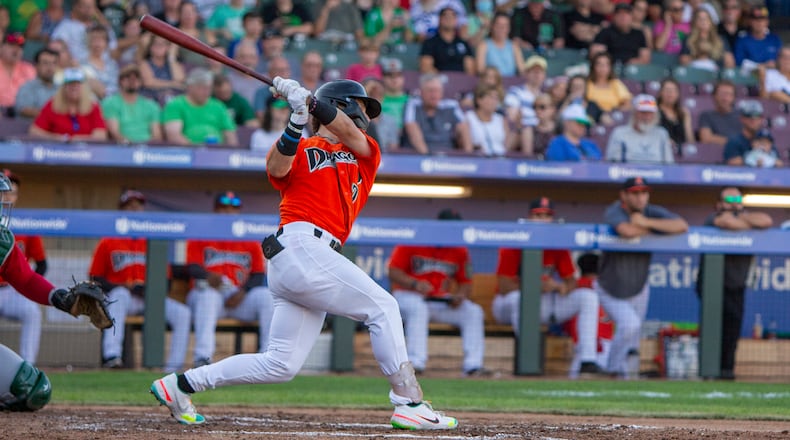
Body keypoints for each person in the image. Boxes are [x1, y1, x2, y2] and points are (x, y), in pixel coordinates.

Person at [150, 77, 458, 430]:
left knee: (280, 364)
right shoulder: (301, 144)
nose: (366, 117)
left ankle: (180, 385)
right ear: (344, 106)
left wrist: (311, 104)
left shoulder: (364, 151)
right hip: (299, 247)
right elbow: (277, 169)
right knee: (384, 307)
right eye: (361, 107)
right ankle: (409, 402)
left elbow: (349, 131)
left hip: (307, 258)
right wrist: (296, 119)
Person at [0, 173, 110, 411]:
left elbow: (26, 278)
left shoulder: (3, 241)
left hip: (6, 292)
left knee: (33, 389)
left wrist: (61, 299)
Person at [493, 197, 603, 377]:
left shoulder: (557, 244)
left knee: (587, 297)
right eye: (538, 215)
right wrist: (531, 286)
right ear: (529, 218)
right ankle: (529, 360)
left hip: (543, 302)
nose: (542, 220)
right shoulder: (513, 240)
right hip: (508, 305)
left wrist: (560, 287)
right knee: (519, 300)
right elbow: (504, 286)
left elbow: (571, 281)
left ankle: (587, 360)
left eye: (546, 215)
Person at [596, 177, 688, 378]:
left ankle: (627, 377)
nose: (640, 198)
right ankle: (611, 371)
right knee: (630, 325)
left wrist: (646, 222)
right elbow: (626, 230)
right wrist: (657, 230)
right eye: (635, 193)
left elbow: (681, 225)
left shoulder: (650, 212)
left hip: (638, 285)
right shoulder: (615, 210)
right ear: (624, 195)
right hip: (609, 285)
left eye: (644, 192)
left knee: (634, 336)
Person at [89, 189, 191, 370]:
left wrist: (150, 289)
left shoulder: (153, 238)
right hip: (124, 298)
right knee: (119, 296)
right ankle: (112, 356)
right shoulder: (109, 240)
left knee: (183, 313)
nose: (135, 209)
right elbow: (96, 277)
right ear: (121, 210)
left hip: (150, 299)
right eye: (130, 206)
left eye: (138, 205)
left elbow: (166, 281)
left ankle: (173, 367)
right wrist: (125, 287)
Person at [388, 208, 485, 376]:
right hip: (408, 296)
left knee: (473, 312)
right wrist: (415, 283)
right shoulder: (414, 239)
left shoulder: (460, 250)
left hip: (438, 300)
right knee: (418, 308)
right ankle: (416, 363)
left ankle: (473, 366)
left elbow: (466, 283)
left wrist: (460, 296)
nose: (452, 233)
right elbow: (393, 271)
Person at [182, 191, 274, 366]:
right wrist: (208, 276)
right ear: (216, 210)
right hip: (210, 296)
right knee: (207, 296)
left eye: (233, 208)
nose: (229, 212)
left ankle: (267, 357)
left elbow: (258, 274)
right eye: (224, 207)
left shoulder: (247, 239)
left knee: (266, 295)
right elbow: (191, 267)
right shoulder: (201, 233)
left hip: (238, 299)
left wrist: (243, 293)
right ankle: (203, 357)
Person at [696, 187, 773, 380]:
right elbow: (726, 222)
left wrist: (742, 218)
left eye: (737, 198)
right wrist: (743, 221)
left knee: (733, 329)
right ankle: (708, 372)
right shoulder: (712, 219)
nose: (733, 202)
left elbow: (766, 221)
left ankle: (726, 371)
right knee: (713, 329)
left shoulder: (747, 216)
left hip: (736, 285)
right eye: (729, 199)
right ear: (719, 204)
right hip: (712, 284)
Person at [0, 170, 46, 364]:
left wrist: (25, 288)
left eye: (12, 193)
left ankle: (27, 366)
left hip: (11, 289)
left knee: (32, 312)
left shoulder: (25, 223)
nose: (8, 196)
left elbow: (42, 264)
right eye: (3, 192)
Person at [28, 67, 108, 142]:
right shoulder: (53, 105)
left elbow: (101, 135)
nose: (74, 87)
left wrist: (77, 140)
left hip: (87, 151)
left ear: (83, 87)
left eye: (77, 84)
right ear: (63, 87)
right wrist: (56, 138)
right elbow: (35, 131)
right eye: (70, 84)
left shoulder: (93, 107)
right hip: (57, 151)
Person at [162, 68, 238, 146]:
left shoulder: (218, 106)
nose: (206, 92)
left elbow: (230, 135)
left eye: (209, 88)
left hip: (217, 152)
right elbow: (174, 135)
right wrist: (196, 152)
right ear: (190, 87)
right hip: (187, 152)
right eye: (201, 88)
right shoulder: (176, 105)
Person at [402, 73, 473, 154]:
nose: (434, 95)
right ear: (421, 92)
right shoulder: (412, 104)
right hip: (419, 155)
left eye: (437, 91)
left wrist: (469, 155)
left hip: (447, 154)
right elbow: (412, 128)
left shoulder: (451, 105)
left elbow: (464, 128)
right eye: (430, 91)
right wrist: (427, 156)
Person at [101, 64, 163, 144]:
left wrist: (147, 148)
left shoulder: (151, 105)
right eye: (127, 77)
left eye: (136, 77)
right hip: (121, 148)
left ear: (141, 82)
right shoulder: (110, 103)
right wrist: (131, 147)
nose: (132, 80)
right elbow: (114, 132)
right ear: (120, 81)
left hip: (148, 149)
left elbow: (156, 134)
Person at [605, 94, 674, 164]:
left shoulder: (661, 134)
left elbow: (670, 165)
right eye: (643, 112)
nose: (647, 117)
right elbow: (612, 165)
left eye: (650, 113)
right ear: (634, 113)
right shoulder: (619, 133)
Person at [419, 7, 474, 75]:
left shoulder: (463, 43)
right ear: (439, 19)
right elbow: (426, 67)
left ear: (456, 20)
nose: (449, 19)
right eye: (445, 16)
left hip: (461, 82)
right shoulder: (430, 43)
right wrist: (442, 80)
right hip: (438, 82)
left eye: (452, 16)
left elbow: (470, 70)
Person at [465, 83, 514, 156]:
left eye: (496, 98)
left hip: (501, 160)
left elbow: (507, 147)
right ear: (479, 100)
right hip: (478, 159)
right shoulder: (469, 117)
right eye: (490, 97)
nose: (494, 102)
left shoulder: (501, 119)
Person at [475, 12, 523, 78]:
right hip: (491, 84)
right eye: (498, 25)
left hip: (511, 84)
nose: (502, 28)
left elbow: (522, 70)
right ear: (492, 26)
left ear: (509, 28)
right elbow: (480, 70)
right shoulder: (483, 45)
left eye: (505, 25)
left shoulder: (514, 46)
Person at [14, 48, 58, 119]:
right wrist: (52, 116)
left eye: (53, 63)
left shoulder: (61, 89)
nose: (50, 67)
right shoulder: (28, 87)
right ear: (36, 66)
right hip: (29, 128)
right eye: (45, 63)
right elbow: (23, 109)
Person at [733, 6, 781, 70]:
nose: (759, 22)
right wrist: (763, 66)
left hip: (773, 76)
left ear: (767, 21)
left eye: (762, 18)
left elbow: (782, 62)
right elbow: (739, 64)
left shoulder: (774, 39)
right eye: (755, 18)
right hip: (750, 77)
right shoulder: (742, 40)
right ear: (749, 21)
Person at [723, 99, 769, 166]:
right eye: (749, 115)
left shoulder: (766, 139)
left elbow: (778, 162)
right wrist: (754, 159)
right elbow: (733, 163)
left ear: (761, 119)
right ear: (742, 118)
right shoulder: (734, 141)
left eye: (757, 115)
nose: (753, 119)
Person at [697, 80, 741, 146]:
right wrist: (736, 143)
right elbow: (706, 138)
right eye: (722, 94)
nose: (725, 98)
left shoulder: (742, 116)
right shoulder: (706, 115)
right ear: (714, 96)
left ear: (734, 97)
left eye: (729, 94)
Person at [0, 31, 35, 112]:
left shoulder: (29, 69)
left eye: (20, 46)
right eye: (11, 45)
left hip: (21, 114)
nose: (16, 49)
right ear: (1, 47)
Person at [656, 78, 694, 152]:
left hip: (682, 153)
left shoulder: (683, 114)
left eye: (674, 90)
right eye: (667, 90)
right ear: (660, 93)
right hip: (661, 151)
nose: (670, 93)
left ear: (678, 94)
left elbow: (690, 141)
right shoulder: (654, 111)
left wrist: (687, 120)